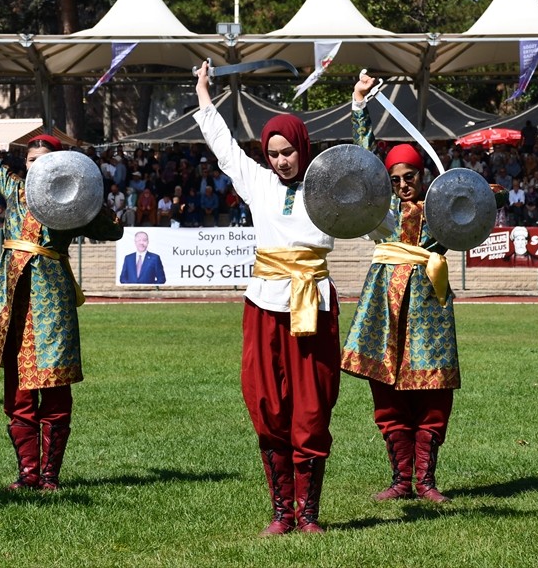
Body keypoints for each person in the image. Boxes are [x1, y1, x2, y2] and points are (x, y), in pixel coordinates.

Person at [0, 98, 123, 493]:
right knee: (18, 393)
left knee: (55, 391)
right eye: (30, 162)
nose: (34, 168)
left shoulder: (71, 205)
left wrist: (91, 200)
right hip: (12, 304)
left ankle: (49, 477)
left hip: (52, 306)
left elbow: (114, 233)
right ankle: (27, 475)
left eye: (42, 163)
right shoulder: (15, 190)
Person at [193, 61, 338, 536]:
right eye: (273, 153)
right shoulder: (256, 182)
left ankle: (309, 513)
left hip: (312, 306)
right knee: (268, 403)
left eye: (287, 152)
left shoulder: (329, 190)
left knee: (312, 407)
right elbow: (224, 148)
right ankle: (282, 512)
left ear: (303, 148)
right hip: (264, 305)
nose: (280, 161)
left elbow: (375, 210)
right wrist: (204, 93)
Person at [341, 72, 460, 504]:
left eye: (410, 176)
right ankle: (401, 479)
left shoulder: (442, 207)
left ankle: (426, 481)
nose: (403, 184)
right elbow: (363, 158)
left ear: (423, 175)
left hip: (429, 303)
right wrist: (360, 107)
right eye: (395, 178)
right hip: (383, 305)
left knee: (432, 391)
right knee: (387, 390)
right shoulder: (380, 208)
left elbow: (477, 205)